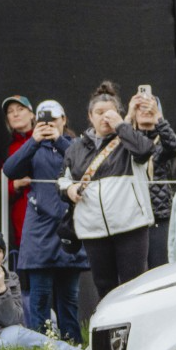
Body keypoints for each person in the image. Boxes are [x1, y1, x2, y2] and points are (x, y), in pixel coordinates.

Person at [2, 99, 88, 339]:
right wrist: (34, 140)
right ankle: (39, 347)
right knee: (39, 296)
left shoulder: (75, 144)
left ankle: (72, 346)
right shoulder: (32, 147)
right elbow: (10, 169)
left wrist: (58, 140)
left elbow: (82, 165)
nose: (48, 125)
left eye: (53, 120)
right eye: (43, 121)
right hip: (39, 231)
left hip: (69, 227)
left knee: (68, 297)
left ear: (63, 120)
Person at [63, 83, 158, 297]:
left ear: (119, 114)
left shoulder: (128, 139)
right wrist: (69, 189)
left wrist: (122, 127)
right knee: (104, 288)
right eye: (99, 113)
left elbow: (145, 150)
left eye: (110, 113)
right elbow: (62, 180)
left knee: (134, 287)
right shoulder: (76, 148)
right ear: (90, 116)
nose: (105, 117)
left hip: (131, 226)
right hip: (93, 229)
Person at [128, 90, 176, 268]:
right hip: (131, 216)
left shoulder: (163, 140)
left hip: (159, 215)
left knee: (160, 268)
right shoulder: (126, 140)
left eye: (150, 107)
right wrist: (128, 116)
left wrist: (158, 117)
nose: (145, 110)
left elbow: (174, 146)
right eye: (140, 107)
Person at [1, 94, 34, 252]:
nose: (15, 114)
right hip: (23, 220)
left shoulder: (49, 141)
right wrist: (15, 185)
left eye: (20, 109)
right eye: (10, 111)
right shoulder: (7, 149)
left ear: (32, 114)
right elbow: (1, 189)